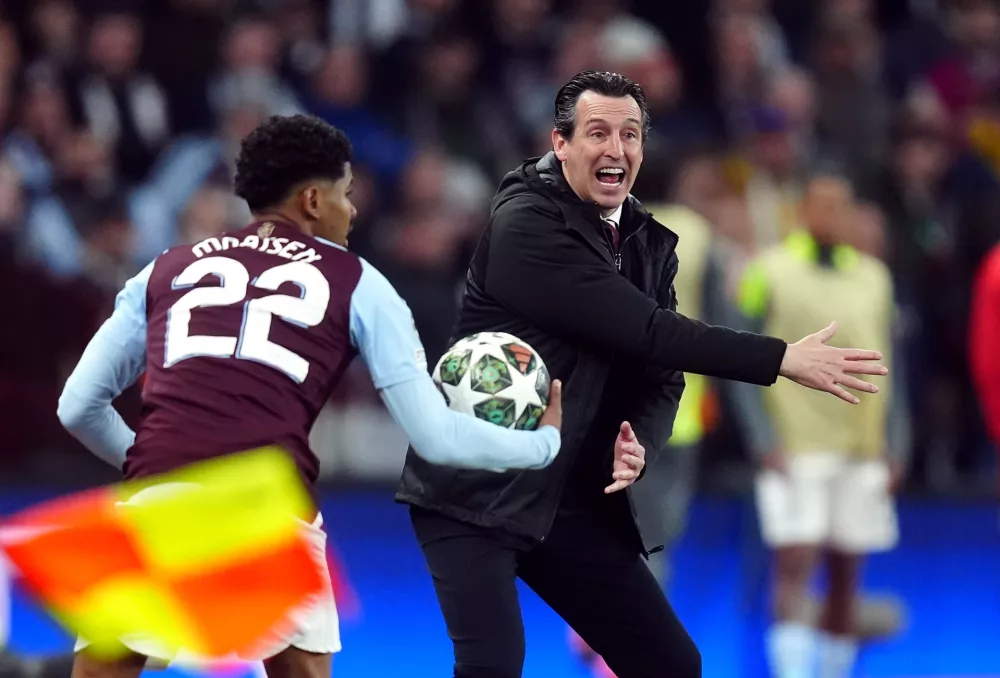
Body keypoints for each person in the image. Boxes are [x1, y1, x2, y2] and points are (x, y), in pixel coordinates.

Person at [395, 70, 888, 678]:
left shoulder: (647, 243)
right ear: (561, 144)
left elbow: (663, 372)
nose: (615, 148)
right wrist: (780, 358)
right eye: (597, 132)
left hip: (566, 501)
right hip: (474, 491)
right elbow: (647, 329)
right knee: (493, 666)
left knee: (671, 663)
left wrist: (641, 444)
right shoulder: (524, 223)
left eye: (630, 134)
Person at [56, 114, 564, 678]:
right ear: (313, 199)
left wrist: (156, 465)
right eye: (347, 194)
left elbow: (77, 406)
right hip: (264, 515)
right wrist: (543, 446)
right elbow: (434, 435)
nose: (353, 210)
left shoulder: (164, 269)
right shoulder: (358, 281)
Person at [732, 174, 908, 678]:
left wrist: (895, 443)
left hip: (861, 446)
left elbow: (891, 362)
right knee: (793, 565)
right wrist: (763, 439)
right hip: (795, 444)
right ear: (803, 211)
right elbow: (740, 353)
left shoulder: (875, 276)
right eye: (821, 205)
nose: (831, 215)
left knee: (847, 577)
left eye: (840, 206)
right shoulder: (769, 270)